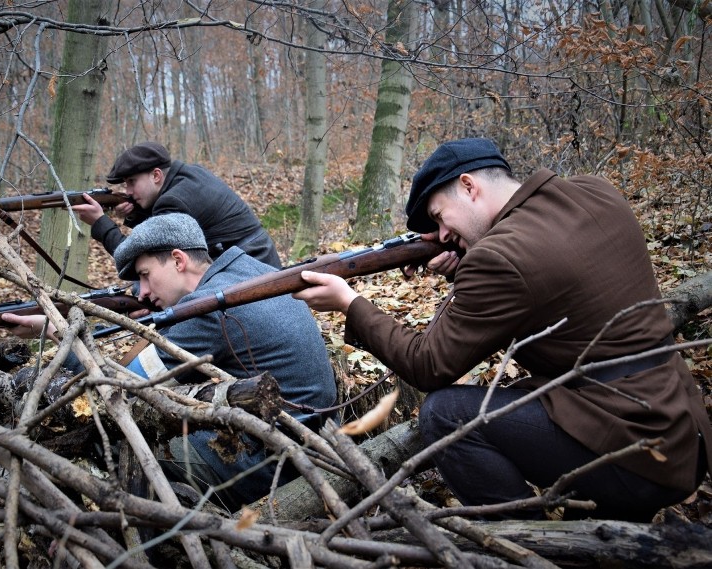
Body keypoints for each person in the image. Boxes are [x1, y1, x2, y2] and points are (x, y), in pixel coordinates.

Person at [294, 138, 712, 521]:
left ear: (469, 186)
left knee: (444, 414)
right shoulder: (595, 192)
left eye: (440, 216)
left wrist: (349, 303)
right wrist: (469, 264)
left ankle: (535, 546)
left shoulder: (498, 258)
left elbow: (427, 365)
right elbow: (544, 281)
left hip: (633, 452)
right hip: (683, 432)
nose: (441, 235)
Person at [4, 213, 336, 511]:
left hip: (269, 463)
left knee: (119, 435)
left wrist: (56, 331)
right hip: (308, 441)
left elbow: (119, 387)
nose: (143, 292)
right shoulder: (247, 270)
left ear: (178, 260)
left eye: (146, 276)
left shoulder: (209, 309)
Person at [73, 142, 282, 268]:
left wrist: (100, 223)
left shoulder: (173, 200)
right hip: (253, 256)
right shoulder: (187, 174)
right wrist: (136, 214)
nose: (127, 191)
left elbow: (136, 254)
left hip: (251, 266)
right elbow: (166, 227)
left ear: (156, 175)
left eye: (131, 182)